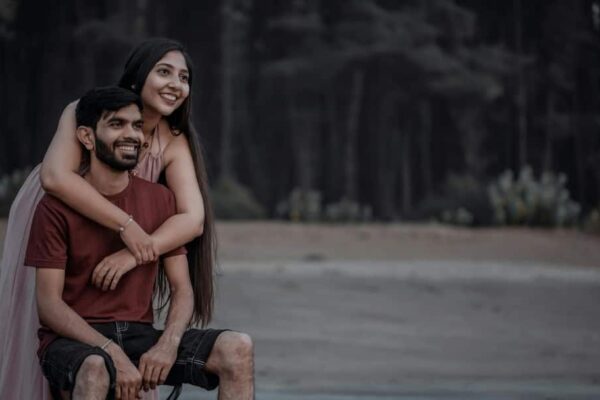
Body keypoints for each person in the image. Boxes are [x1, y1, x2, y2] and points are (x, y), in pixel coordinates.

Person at [0, 38, 227, 399]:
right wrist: (128, 225)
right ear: (137, 76)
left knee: (111, 317)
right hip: (62, 214)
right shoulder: (87, 111)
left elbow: (192, 219)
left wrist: (136, 251)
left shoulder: (173, 140)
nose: (175, 84)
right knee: (47, 316)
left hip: (119, 228)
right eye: (164, 72)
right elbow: (56, 178)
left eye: (184, 78)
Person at [26, 86, 254, 400]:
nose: (131, 134)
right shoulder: (54, 208)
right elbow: (49, 306)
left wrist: (168, 344)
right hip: (75, 342)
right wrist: (111, 352)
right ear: (87, 137)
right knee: (95, 368)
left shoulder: (160, 199)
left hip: (139, 335)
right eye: (116, 124)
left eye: (136, 125)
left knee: (237, 348)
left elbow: (182, 289)